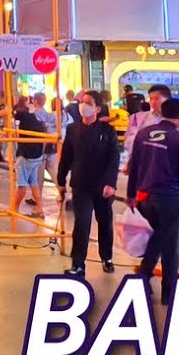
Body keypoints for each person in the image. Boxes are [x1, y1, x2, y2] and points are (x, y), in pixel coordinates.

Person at [127, 98, 179, 305]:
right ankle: (169, 292)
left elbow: (134, 166)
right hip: (170, 198)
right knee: (171, 246)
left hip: (144, 197)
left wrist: (131, 195)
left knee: (155, 240)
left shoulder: (143, 134)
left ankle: (143, 277)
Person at [56, 91, 120, 278]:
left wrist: (111, 183)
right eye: (82, 102)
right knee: (82, 223)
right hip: (81, 185)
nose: (83, 106)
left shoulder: (107, 131)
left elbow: (113, 159)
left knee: (105, 221)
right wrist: (61, 180)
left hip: (102, 187)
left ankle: (106, 257)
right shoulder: (73, 129)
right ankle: (78, 264)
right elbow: (66, 156)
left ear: (98, 108)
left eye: (88, 103)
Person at [12, 106, 48, 218]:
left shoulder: (24, 119)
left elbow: (12, 113)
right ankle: (39, 208)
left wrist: (7, 111)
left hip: (25, 158)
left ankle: (14, 208)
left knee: (21, 185)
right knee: (33, 183)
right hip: (37, 157)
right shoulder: (38, 123)